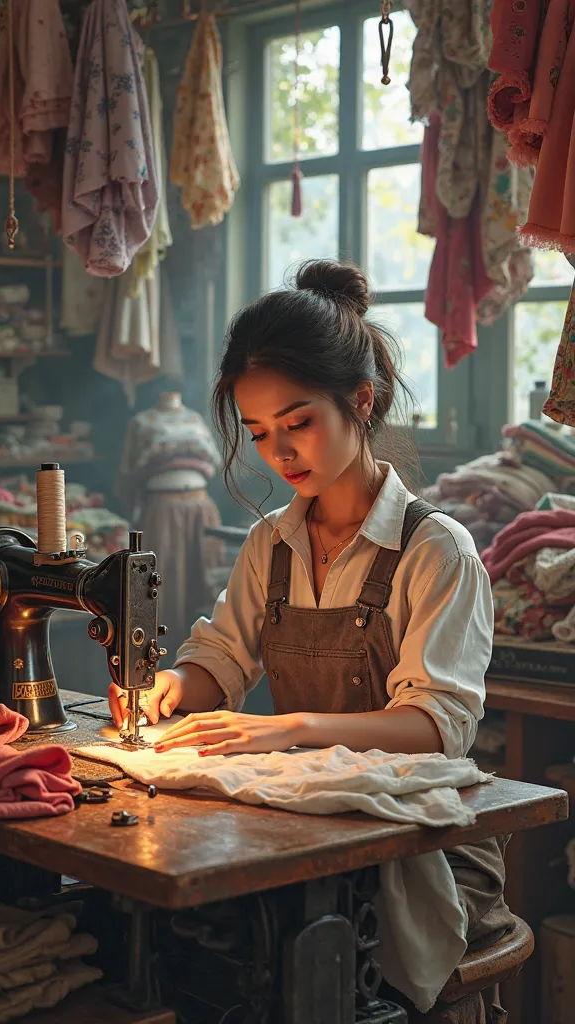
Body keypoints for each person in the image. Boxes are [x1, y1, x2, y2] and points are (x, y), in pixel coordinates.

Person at [108, 259, 513, 1022]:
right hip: (315, 826)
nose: (279, 452)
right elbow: (222, 655)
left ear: (360, 401)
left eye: (297, 423)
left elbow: (436, 727)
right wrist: (167, 687)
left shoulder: (436, 551)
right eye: (259, 433)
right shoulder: (274, 543)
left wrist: (285, 728)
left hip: (425, 842)